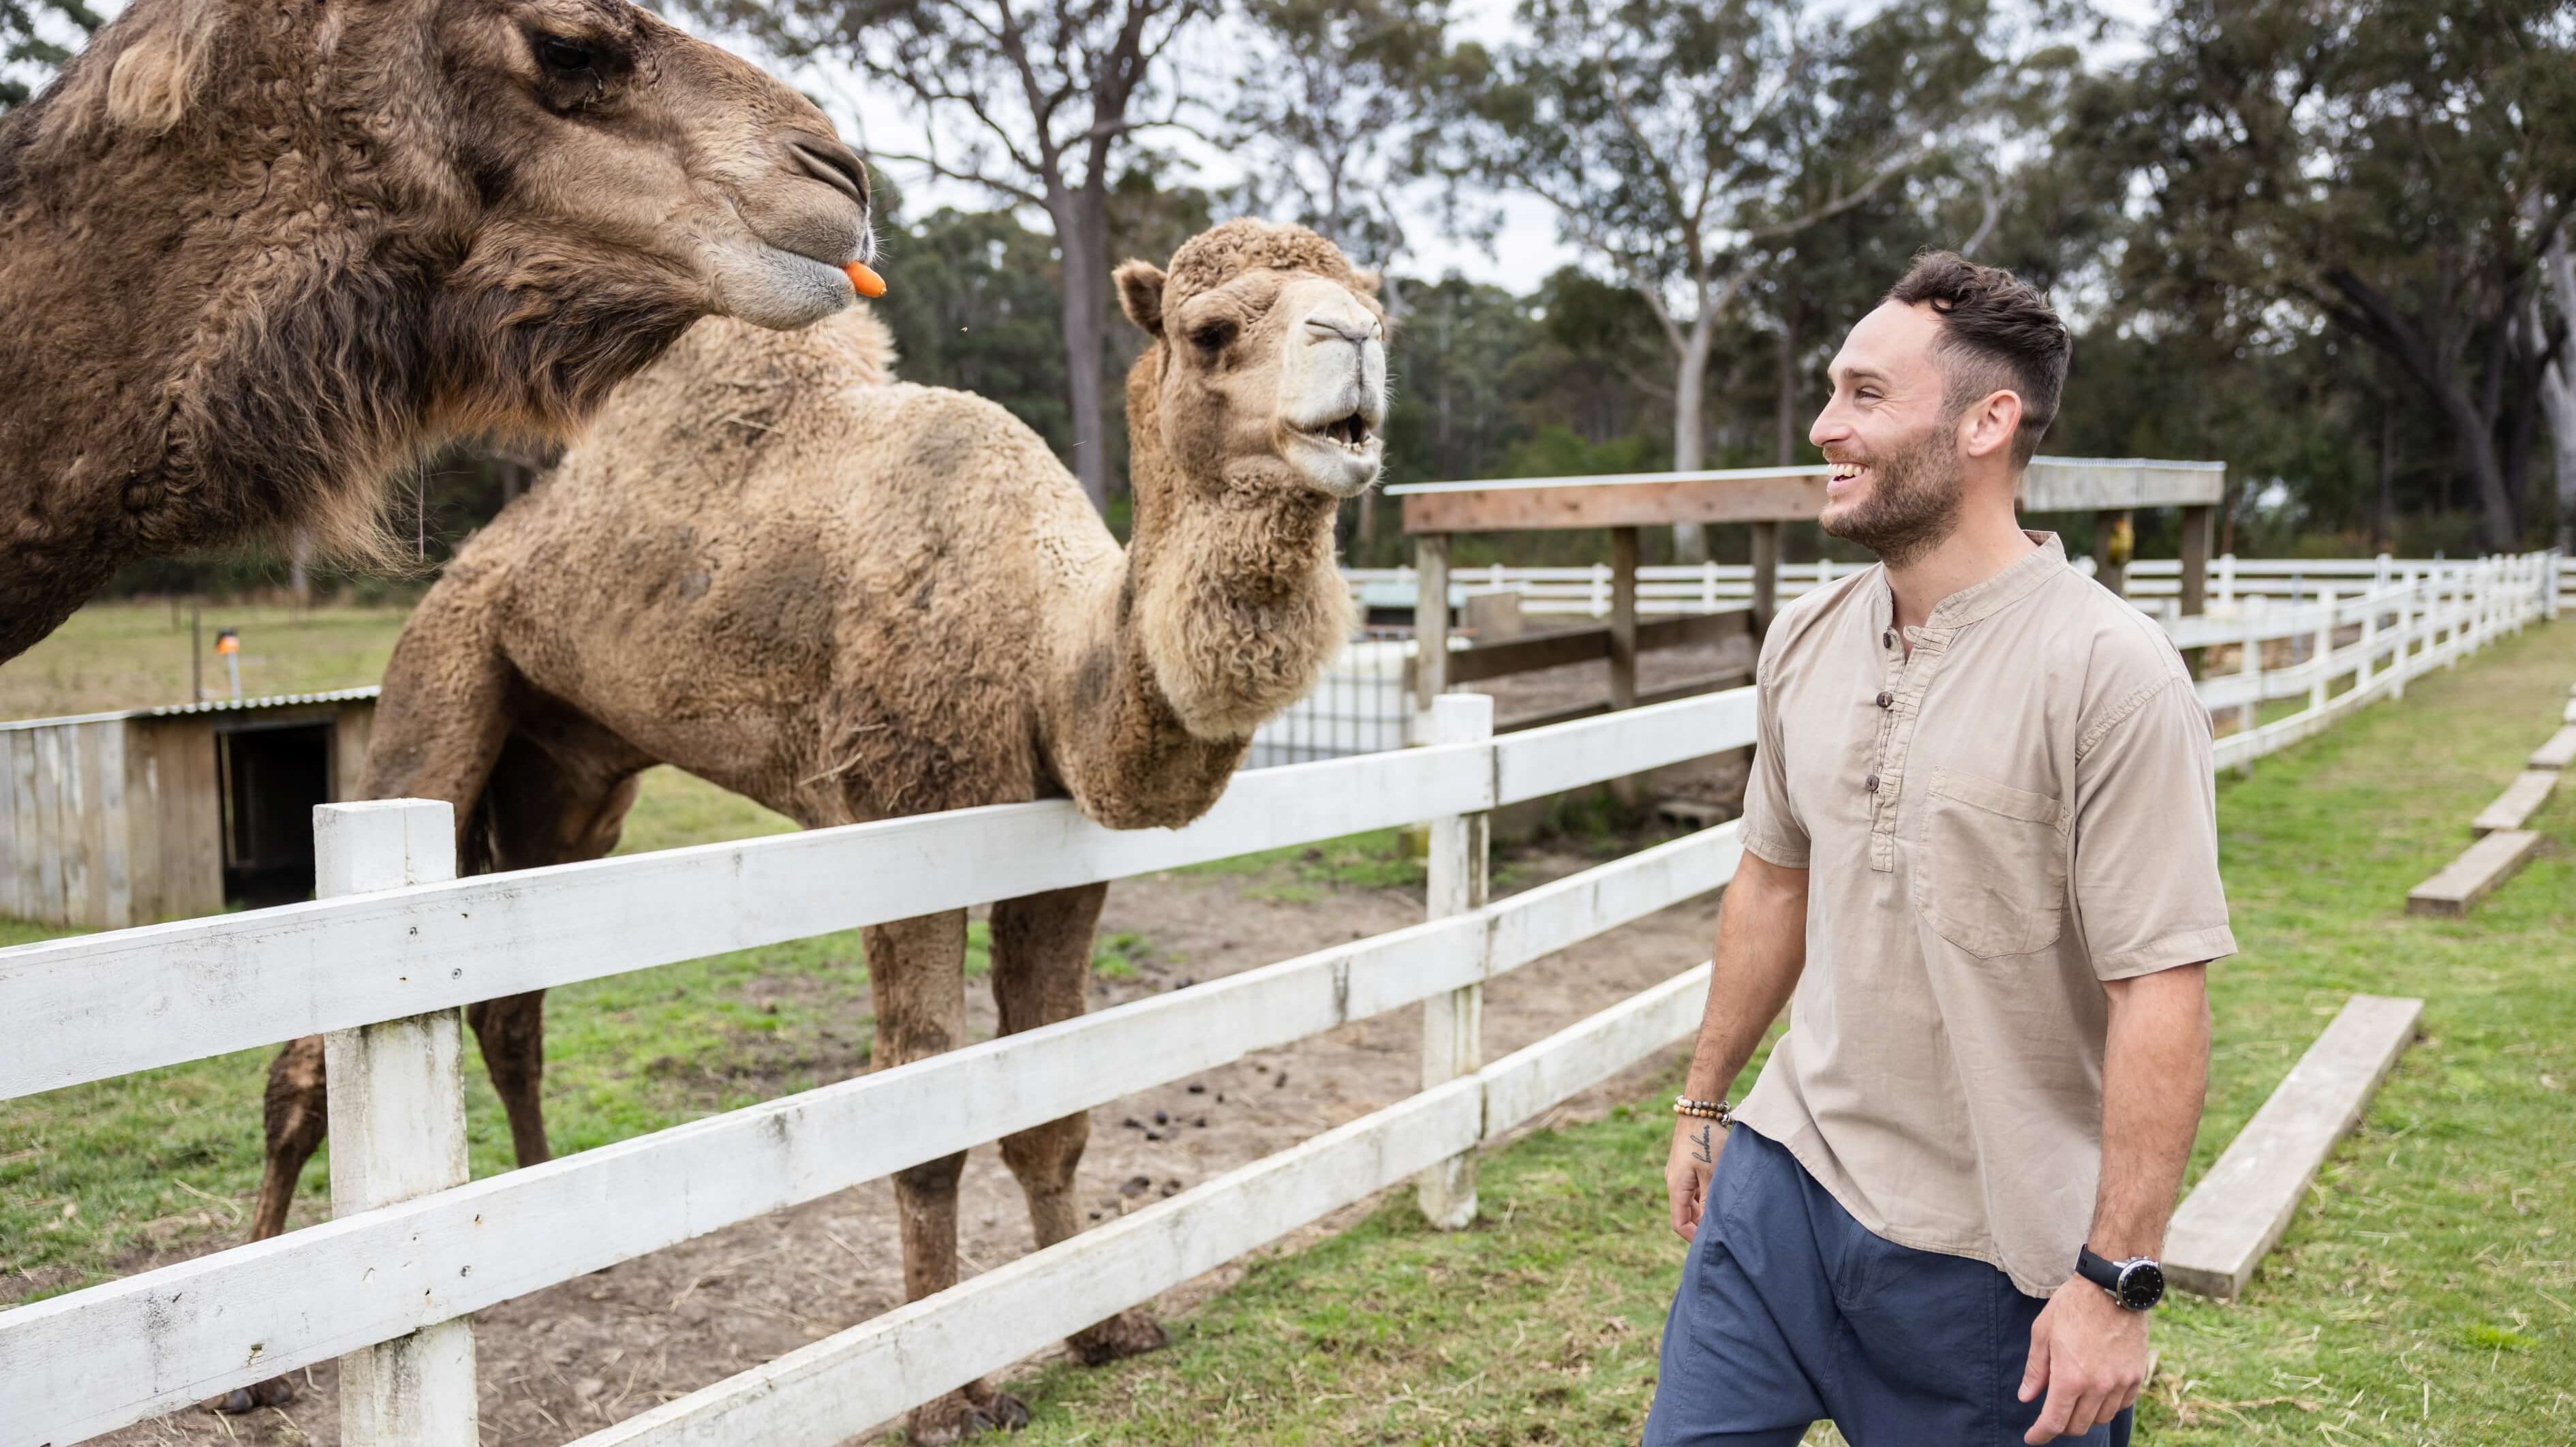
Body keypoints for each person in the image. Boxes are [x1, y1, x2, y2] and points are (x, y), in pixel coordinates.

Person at [1644, 252, 2233, 1447]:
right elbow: (1772, 875)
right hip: (1785, 1189)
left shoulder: (2110, 675)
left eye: (1865, 395)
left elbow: (2159, 986)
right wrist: (1706, 1099)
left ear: (1987, 421)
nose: (1825, 427)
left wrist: (2117, 1282)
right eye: (1831, 393)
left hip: (1993, 1267)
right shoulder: (1806, 637)